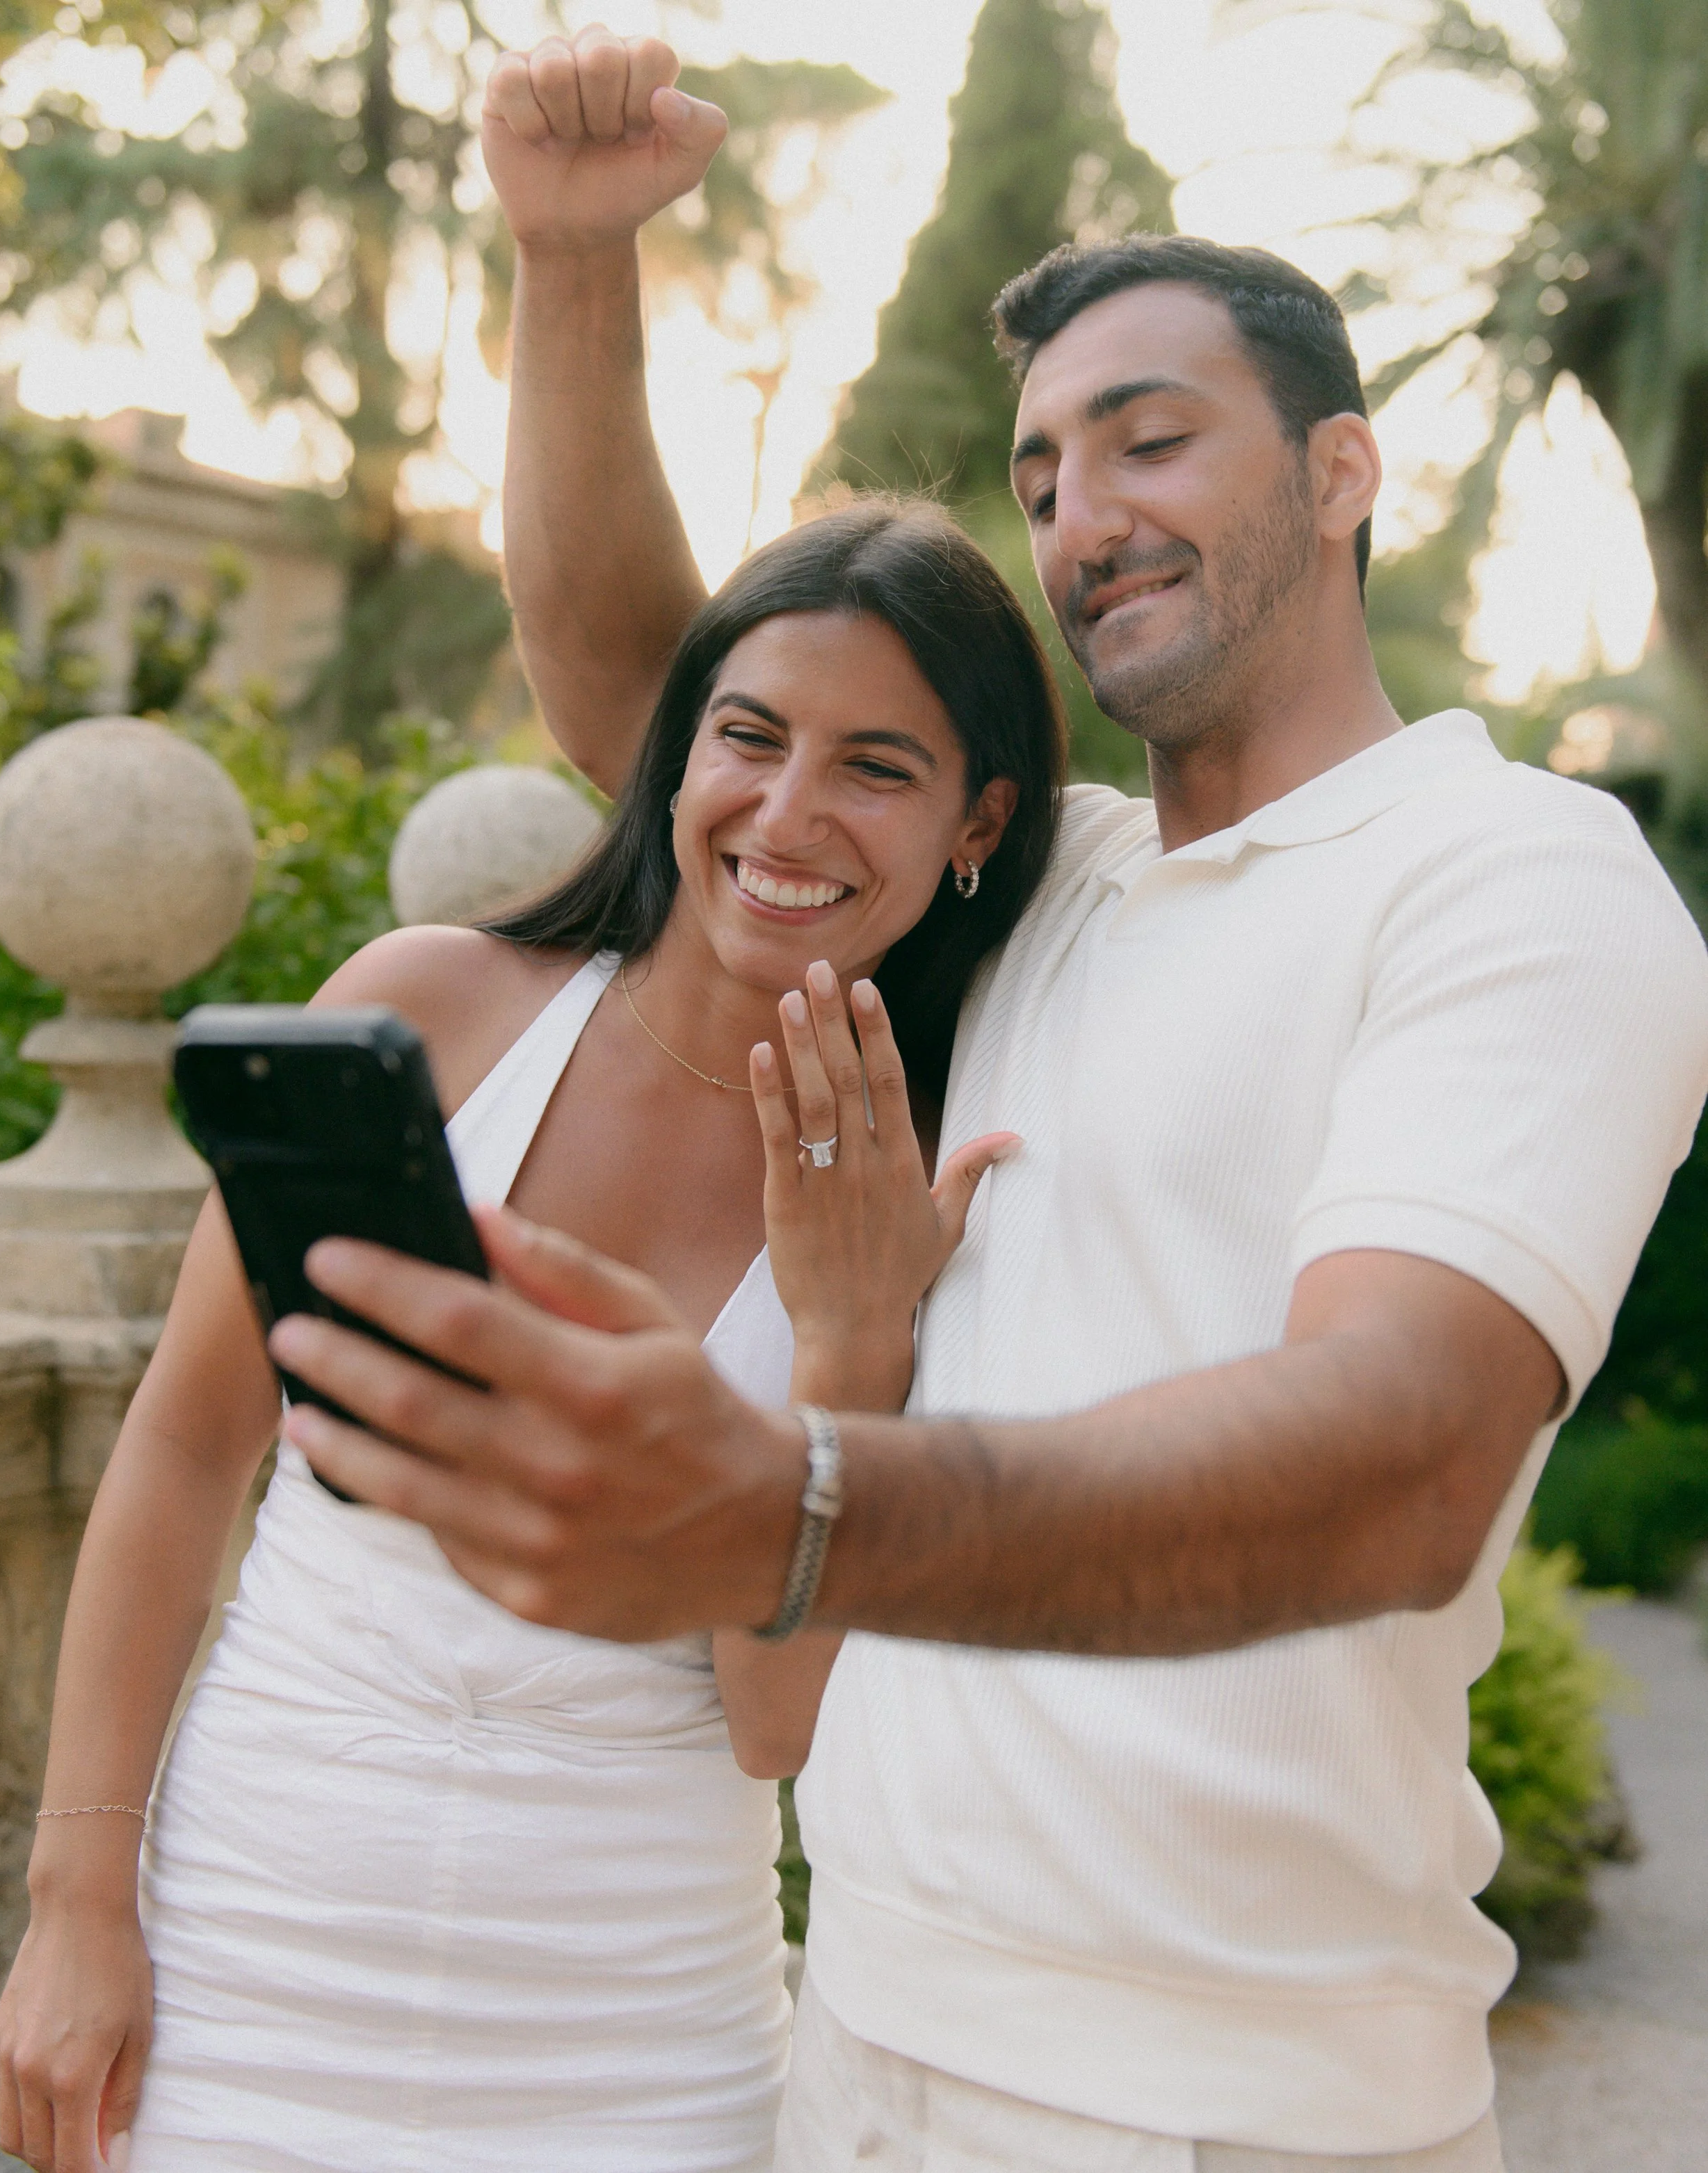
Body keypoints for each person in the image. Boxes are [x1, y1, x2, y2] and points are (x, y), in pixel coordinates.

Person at [246, 29, 1708, 2173]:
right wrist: (570, 269)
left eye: (1146, 442)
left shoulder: (1513, 880)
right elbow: (654, 703)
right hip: (856, 2043)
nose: (1080, 518)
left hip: (1228, 2104)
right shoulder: (1045, 884)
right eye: (1036, 478)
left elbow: (1395, 1455)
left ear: (1337, 471)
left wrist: (794, 1504)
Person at [0, 500, 1066, 2173]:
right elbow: (188, 1448)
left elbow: (773, 1726)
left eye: (875, 766)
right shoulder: (428, 1008)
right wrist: (76, 1905)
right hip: (243, 1950)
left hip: (629, 2027)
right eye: (748, 736)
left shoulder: (937, 1174)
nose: (785, 813)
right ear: (676, 752)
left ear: (977, 819)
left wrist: (849, 1342)